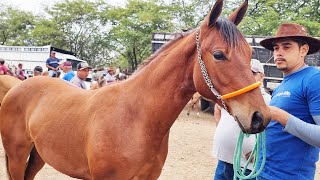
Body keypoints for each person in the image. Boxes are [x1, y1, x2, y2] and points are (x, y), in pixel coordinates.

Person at [256, 23, 320, 180]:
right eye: (276, 48)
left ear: (303, 50)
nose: (278, 52)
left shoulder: (313, 79)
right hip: (263, 172)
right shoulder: (280, 86)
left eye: (287, 47)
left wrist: (281, 116)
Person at [213, 59, 270, 180]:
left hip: (245, 166)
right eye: (245, 74)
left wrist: (258, 152)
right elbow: (217, 108)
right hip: (223, 160)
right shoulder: (233, 97)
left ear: (262, 76)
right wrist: (220, 127)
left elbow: (274, 130)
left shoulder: (267, 100)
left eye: (253, 73)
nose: (248, 78)